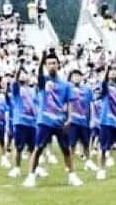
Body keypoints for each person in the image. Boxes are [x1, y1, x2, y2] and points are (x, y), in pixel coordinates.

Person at [23, 51, 82, 188]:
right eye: (49, 63)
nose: (52, 66)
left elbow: (70, 102)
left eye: (54, 63)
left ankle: (72, 175)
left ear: (58, 65)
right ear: (46, 65)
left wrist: (70, 118)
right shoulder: (43, 80)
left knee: (66, 150)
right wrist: (42, 59)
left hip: (60, 122)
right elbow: (38, 73)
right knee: (38, 149)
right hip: (44, 121)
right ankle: (31, 176)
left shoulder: (65, 85)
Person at [8, 65, 37, 178]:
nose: (24, 76)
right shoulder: (17, 89)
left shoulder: (33, 90)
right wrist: (18, 69)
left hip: (32, 123)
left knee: (33, 148)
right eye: (22, 75)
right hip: (20, 122)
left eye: (26, 74)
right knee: (18, 147)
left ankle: (33, 168)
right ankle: (16, 168)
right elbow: (15, 81)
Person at [67, 70, 97, 172]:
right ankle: (70, 164)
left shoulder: (87, 90)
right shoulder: (68, 89)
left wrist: (93, 118)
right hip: (73, 121)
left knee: (86, 143)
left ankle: (88, 161)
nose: (76, 78)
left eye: (78, 76)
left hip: (84, 121)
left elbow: (92, 104)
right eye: (74, 76)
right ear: (71, 78)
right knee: (72, 144)